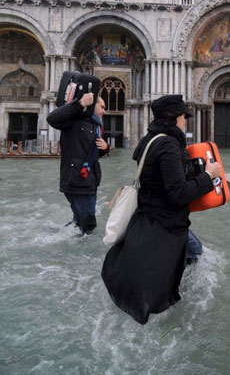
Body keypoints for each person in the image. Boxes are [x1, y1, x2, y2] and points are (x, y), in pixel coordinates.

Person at [102, 94, 221, 324]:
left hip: (149, 214)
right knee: (194, 255)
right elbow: (177, 194)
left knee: (193, 250)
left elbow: (156, 178)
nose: (185, 121)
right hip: (165, 220)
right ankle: (180, 299)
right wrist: (208, 176)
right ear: (174, 118)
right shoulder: (167, 145)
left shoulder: (150, 139)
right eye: (183, 117)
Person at [47, 93, 109, 236]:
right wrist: (80, 104)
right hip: (77, 180)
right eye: (102, 107)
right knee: (88, 225)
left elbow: (90, 153)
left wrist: (105, 148)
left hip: (89, 181)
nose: (104, 111)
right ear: (92, 105)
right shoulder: (73, 121)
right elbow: (52, 118)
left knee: (79, 221)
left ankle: (62, 236)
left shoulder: (95, 126)